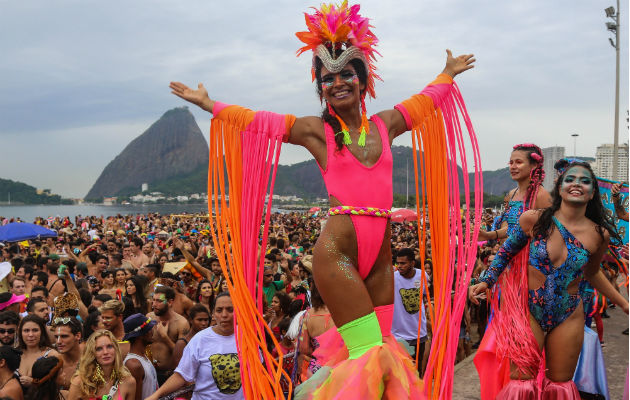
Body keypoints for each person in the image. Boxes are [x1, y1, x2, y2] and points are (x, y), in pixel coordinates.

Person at [170, 2, 474, 396]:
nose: (337, 82)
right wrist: (210, 104)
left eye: (346, 73)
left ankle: (311, 388)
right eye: (327, 79)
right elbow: (260, 121)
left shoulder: (386, 124)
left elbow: (424, 101)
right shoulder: (318, 132)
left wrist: (447, 74)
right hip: (337, 254)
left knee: (381, 353)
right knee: (368, 352)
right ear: (321, 88)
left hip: (380, 259)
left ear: (363, 80)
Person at [469, 162, 630, 398]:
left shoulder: (599, 234)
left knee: (560, 384)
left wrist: (625, 304)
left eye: (584, 180)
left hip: (569, 315)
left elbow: (593, 273)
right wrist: (487, 280)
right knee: (522, 381)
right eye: (570, 179)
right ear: (560, 187)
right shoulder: (534, 219)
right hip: (528, 310)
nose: (576, 183)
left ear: (593, 191)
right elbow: (506, 252)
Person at [145, 292, 242, 400]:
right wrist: (156, 395)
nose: (224, 315)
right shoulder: (200, 340)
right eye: (219, 310)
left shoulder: (248, 338)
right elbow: (181, 375)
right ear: (213, 313)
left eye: (230, 309)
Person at [67, 329, 136, 400]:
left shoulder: (129, 382)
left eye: (109, 346)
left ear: (116, 349)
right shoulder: (80, 382)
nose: (105, 352)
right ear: (92, 353)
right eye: (99, 349)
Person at [391, 247, 428, 375]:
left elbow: (427, 297)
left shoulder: (423, 275)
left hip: (419, 334)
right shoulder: (391, 278)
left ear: (412, 263)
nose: (399, 266)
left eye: (403, 263)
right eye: (397, 263)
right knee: (401, 375)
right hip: (398, 336)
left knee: (417, 373)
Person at [146, 285, 189, 386]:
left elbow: (183, 355)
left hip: (168, 375)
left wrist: (165, 337)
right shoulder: (149, 317)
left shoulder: (181, 323)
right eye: (153, 300)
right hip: (149, 372)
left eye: (159, 301)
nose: (154, 304)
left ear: (170, 302)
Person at [17, 315, 60, 390]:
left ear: (42, 332)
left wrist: (34, 382)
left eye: (35, 330)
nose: (30, 335)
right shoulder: (15, 354)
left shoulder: (52, 355)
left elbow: (59, 383)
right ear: (20, 333)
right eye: (26, 330)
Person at [122, 314, 159, 400]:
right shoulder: (134, 364)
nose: (152, 331)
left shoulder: (143, 357)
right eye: (149, 329)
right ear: (140, 335)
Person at [52, 317, 83, 396]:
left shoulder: (90, 361)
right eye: (56, 337)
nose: (58, 341)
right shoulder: (53, 363)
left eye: (64, 336)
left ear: (78, 336)